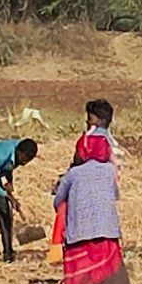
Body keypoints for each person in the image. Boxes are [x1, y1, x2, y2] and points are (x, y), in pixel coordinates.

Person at [52, 132, 135, 284]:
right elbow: (114, 194)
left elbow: (58, 200)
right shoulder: (109, 171)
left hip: (79, 234)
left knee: (83, 278)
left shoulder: (73, 174)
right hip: (107, 232)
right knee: (110, 277)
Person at [48, 99, 120, 265]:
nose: (87, 122)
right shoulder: (109, 144)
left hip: (80, 225)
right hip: (107, 225)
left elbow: (59, 199)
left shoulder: (90, 140)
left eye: (90, 118)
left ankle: (58, 253)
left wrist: (63, 184)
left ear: (100, 120)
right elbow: (115, 189)